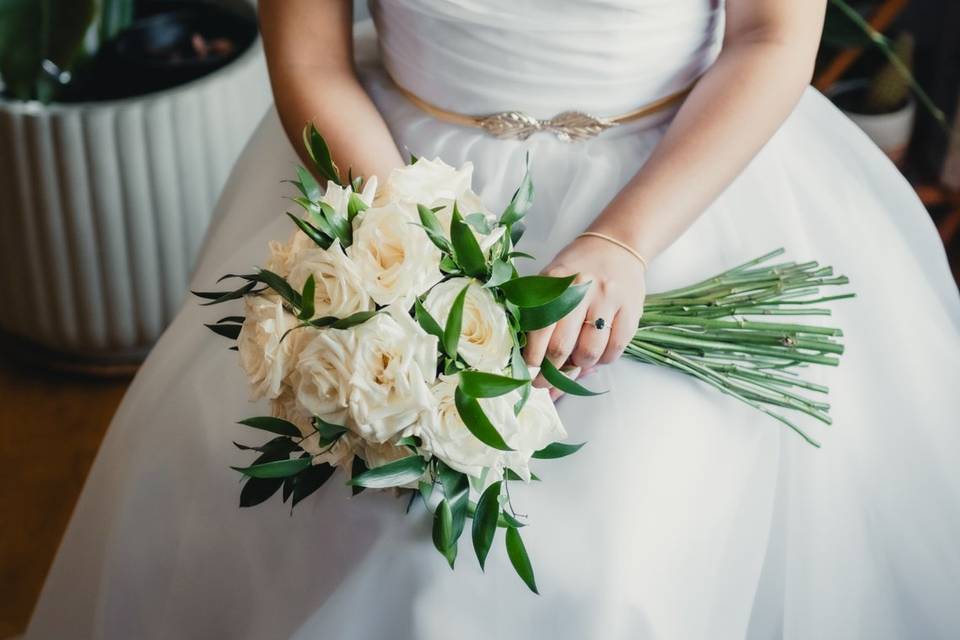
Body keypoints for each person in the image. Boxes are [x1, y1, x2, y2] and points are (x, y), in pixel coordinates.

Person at [26, 1, 960, 638]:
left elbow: (768, 38)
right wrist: (416, 259)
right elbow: (308, 54)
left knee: (617, 565)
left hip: (675, 189)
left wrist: (624, 244)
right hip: (391, 179)